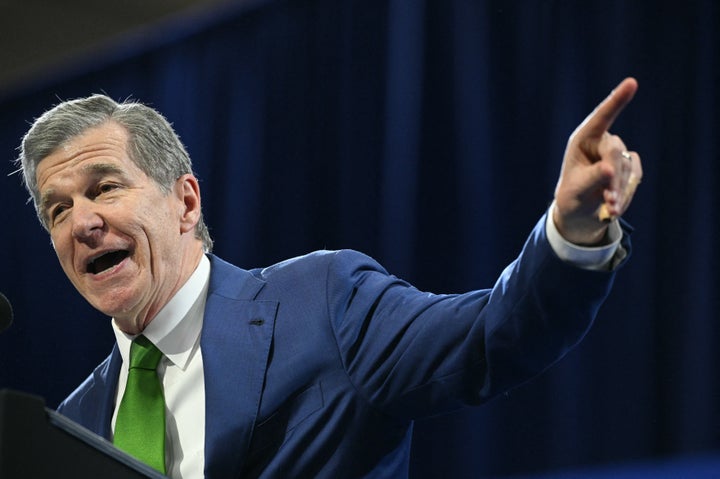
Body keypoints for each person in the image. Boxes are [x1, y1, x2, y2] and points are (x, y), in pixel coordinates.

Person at [17, 77, 642, 479]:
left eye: (105, 187)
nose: (83, 223)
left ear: (185, 203)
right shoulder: (69, 427)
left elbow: (489, 339)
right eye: (58, 209)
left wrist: (571, 231)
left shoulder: (322, 304)